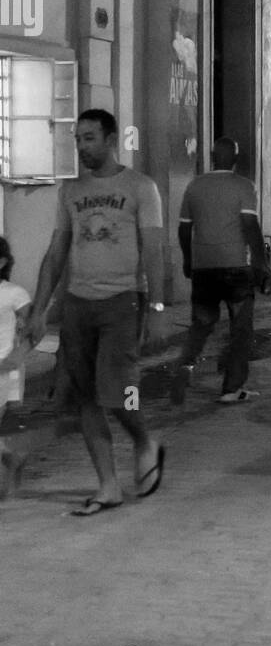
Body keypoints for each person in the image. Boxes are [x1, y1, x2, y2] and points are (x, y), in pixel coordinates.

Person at [23, 109, 168, 515]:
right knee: (85, 396)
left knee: (122, 393)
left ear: (110, 139)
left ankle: (144, 442)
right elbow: (56, 253)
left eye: (89, 138)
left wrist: (156, 305)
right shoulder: (70, 192)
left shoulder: (141, 187)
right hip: (77, 304)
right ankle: (108, 486)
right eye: (78, 139)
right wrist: (39, 309)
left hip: (123, 301)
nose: (82, 147)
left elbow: (154, 249)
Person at [170, 137, 271, 408]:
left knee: (201, 325)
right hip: (235, 268)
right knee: (240, 330)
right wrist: (261, 264)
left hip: (204, 268)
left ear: (212, 157)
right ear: (235, 159)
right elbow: (250, 226)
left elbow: (183, 228)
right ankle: (232, 388)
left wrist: (189, 260)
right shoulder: (244, 186)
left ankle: (184, 367)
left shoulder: (195, 186)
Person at [0, 236, 31, 499]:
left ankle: (11, 459)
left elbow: (34, 329)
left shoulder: (14, 294)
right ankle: (12, 458)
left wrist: (18, 356)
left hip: (3, 368)